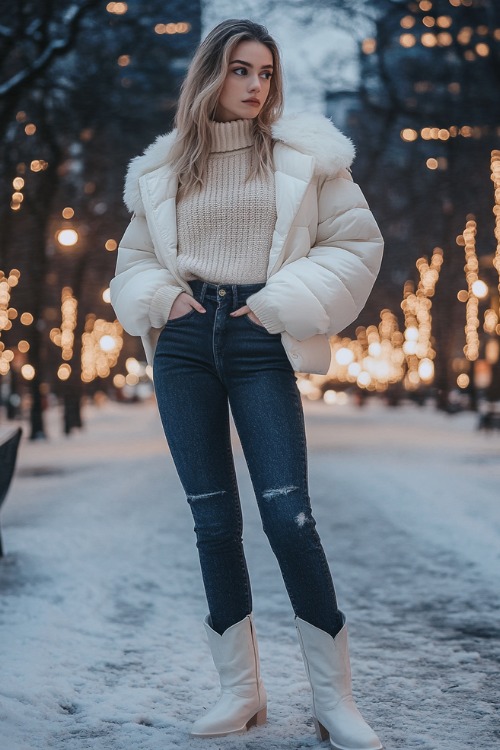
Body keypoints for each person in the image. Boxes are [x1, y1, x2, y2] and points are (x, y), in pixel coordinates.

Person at [110, 18, 384, 750]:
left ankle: (335, 701)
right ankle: (241, 694)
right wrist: (162, 299)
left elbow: (357, 248)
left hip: (264, 336)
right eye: (240, 69)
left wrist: (275, 304)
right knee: (211, 522)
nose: (256, 85)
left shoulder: (308, 160)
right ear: (210, 75)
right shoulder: (162, 172)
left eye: (265, 71)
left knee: (289, 516)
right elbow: (130, 263)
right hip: (187, 341)